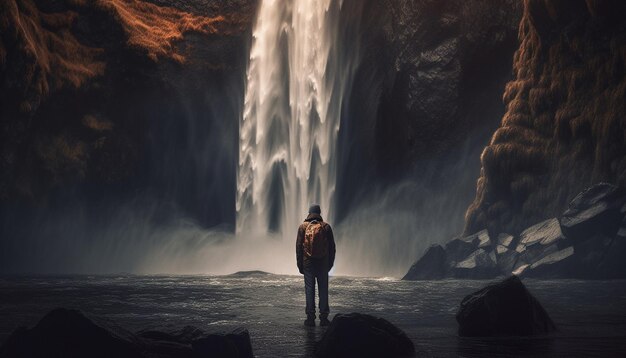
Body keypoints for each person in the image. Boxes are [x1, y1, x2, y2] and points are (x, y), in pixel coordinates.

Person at [296, 204, 336, 327]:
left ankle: (310, 318)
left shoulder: (303, 227)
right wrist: (330, 264)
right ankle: (324, 318)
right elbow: (332, 248)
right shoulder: (326, 227)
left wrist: (300, 265)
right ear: (319, 213)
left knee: (309, 289)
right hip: (323, 262)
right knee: (323, 290)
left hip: (308, 263)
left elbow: (298, 248)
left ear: (309, 213)